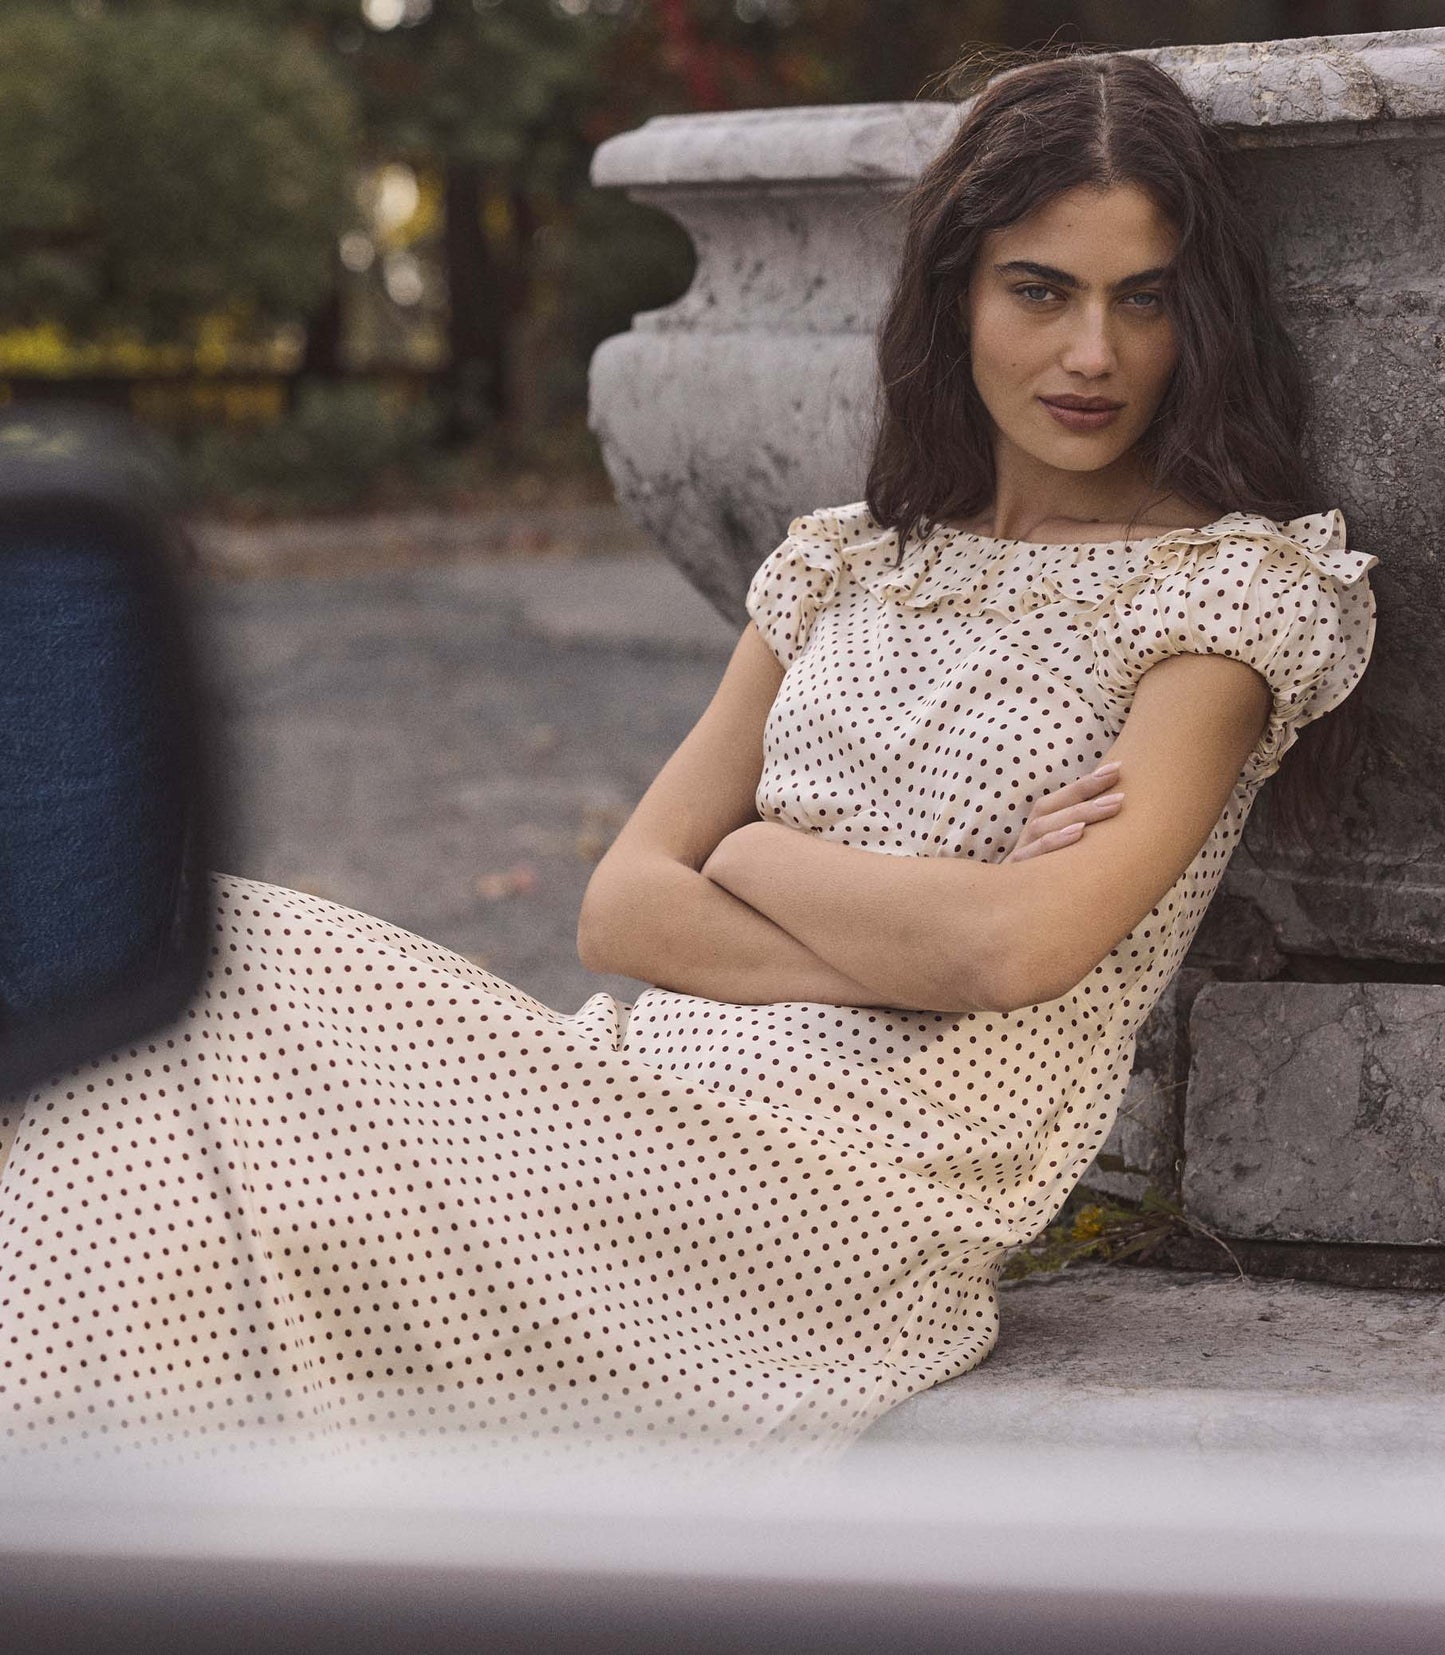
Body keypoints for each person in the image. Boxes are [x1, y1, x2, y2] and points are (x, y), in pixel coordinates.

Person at [0, 50, 1376, 1466]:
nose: (1092, 352)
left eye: (1139, 299)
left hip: (839, 1192)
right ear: (955, 293)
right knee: (141, 1056)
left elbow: (1013, 957)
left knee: (216, 974)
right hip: (627, 1101)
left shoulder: (1222, 597)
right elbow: (622, 912)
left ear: (1191, 319)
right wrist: (917, 919)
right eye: (1040, 289)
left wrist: (755, 850)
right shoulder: (836, 566)